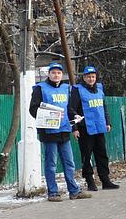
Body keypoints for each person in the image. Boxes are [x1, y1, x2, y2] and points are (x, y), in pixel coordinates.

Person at [29, 62, 91, 202]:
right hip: (49, 131)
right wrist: (50, 115)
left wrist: (74, 115)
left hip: (64, 130)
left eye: (58, 73)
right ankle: (53, 192)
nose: (56, 75)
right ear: (48, 74)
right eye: (53, 72)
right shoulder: (40, 88)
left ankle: (74, 191)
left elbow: (67, 107)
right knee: (51, 163)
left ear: (61, 75)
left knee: (69, 163)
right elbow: (33, 109)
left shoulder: (65, 88)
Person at [69, 66, 119, 191]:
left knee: (102, 155)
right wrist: (74, 128)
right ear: (84, 78)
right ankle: (90, 181)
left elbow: (104, 107)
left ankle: (105, 180)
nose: (91, 79)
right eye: (88, 77)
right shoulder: (77, 90)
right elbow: (71, 109)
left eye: (93, 76)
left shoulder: (100, 89)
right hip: (85, 128)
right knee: (86, 156)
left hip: (99, 127)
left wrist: (108, 122)